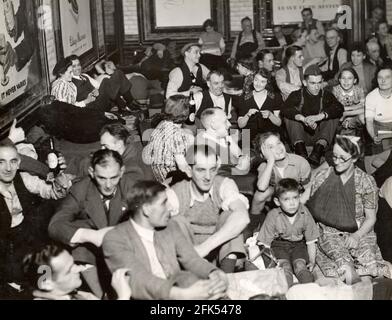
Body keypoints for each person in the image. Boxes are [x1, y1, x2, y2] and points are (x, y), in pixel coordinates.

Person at [103, 181, 228, 300]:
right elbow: (139, 280)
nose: (170, 208)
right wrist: (182, 295)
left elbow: (191, 259)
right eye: (164, 203)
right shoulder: (114, 238)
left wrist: (214, 273)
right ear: (146, 209)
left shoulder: (170, 227)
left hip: (178, 291)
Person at [48, 149, 136, 298]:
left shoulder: (131, 186)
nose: (108, 185)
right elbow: (55, 225)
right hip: (91, 256)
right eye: (101, 178)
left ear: (122, 172)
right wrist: (91, 235)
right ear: (91, 172)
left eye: (113, 177)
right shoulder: (80, 190)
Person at [306, 135, 392, 284]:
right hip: (329, 231)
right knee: (345, 269)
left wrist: (357, 236)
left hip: (360, 230)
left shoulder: (366, 181)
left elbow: (371, 218)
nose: (336, 162)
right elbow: (304, 204)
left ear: (353, 158)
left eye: (342, 158)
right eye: (334, 156)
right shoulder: (323, 176)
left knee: (370, 267)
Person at [0, 142, 70, 297]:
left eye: (13, 161)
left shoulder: (23, 178)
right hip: (3, 246)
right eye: (1, 162)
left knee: (44, 276)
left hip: (26, 236)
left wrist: (58, 180)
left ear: (19, 163)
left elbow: (50, 191)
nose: (8, 168)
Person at [168, 144, 250, 273]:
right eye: (201, 170)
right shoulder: (176, 192)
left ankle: (225, 280)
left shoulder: (225, 184)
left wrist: (204, 248)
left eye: (212, 169)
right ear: (189, 171)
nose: (208, 177)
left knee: (231, 215)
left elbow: (243, 218)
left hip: (221, 251)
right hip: (189, 254)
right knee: (175, 221)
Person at [257, 178, 318, 287]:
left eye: (295, 198)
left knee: (300, 265)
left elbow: (310, 241)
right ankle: (287, 292)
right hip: (279, 245)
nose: (292, 203)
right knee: (285, 267)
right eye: (286, 199)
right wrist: (269, 264)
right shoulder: (273, 215)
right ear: (277, 201)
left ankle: (310, 290)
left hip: (299, 245)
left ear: (300, 196)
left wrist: (312, 260)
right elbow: (264, 244)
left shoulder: (305, 212)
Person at [281, 64, 344, 166]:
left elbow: (339, 108)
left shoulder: (326, 95)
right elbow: (284, 109)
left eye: (319, 82)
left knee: (333, 115)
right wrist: (303, 119)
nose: (316, 87)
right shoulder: (296, 94)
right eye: (312, 83)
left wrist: (319, 117)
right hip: (300, 136)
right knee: (290, 116)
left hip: (320, 137)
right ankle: (300, 151)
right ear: (305, 83)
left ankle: (317, 152)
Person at [22, 244, 132, 300]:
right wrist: (123, 296)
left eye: (74, 264)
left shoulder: (73, 294)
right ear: (47, 283)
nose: (79, 269)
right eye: (69, 270)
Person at [250, 132, 311, 221]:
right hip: (277, 192)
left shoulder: (300, 162)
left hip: (297, 193)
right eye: (271, 147)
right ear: (263, 155)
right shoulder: (265, 165)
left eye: (278, 143)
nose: (278, 148)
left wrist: (296, 207)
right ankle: (254, 222)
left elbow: (308, 189)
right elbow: (262, 187)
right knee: (259, 195)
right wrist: (270, 161)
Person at [142, 95, 194, 182]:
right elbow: (183, 168)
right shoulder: (178, 135)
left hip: (157, 172)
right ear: (186, 112)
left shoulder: (163, 123)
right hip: (169, 179)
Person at [76, 123, 150, 180]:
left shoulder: (131, 168)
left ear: (119, 144)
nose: (102, 149)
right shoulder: (130, 149)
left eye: (105, 146)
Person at [196, 108, 250, 177]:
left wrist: (241, 159)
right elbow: (216, 175)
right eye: (225, 121)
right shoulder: (204, 146)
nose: (229, 124)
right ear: (213, 124)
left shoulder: (221, 136)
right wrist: (240, 169)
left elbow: (240, 155)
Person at [237, 69, 283, 143]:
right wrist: (247, 115)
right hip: (248, 133)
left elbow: (279, 123)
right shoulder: (244, 98)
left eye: (262, 82)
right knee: (244, 152)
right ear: (253, 80)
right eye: (256, 80)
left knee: (269, 150)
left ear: (267, 83)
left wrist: (270, 115)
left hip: (268, 134)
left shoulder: (275, 97)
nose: (258, 84)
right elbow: (240, 125)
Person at [365, 64, 392, 173]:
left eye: (387, 77)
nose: (383, 80)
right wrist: (373, 136)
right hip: (379, 129)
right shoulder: (371, 96)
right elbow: (369, 121)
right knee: (382, 159)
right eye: (380, 77)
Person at [332, 67, 365, 135]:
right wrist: (355, 107)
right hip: (339, 118)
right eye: (343, 78)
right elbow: (335, 109)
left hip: (353, 116)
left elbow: (364, 108)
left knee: (363, 117)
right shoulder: (336, 90)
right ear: (339, 80)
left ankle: (360, 136)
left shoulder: (359, 90)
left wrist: (347, 114)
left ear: (355, 80)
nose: (346, 81)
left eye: (349, 78)